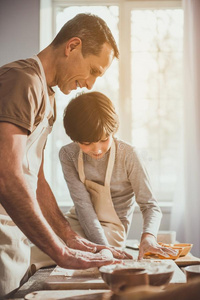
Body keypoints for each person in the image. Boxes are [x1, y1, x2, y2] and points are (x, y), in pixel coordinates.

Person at [0, 13, 131, 299]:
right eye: (93, 70)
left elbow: (35, 179)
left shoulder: (48, 96)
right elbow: (7, 177)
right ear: (72, 46)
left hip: (15, 241)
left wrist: (69, 237)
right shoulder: (22, 80)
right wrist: (60, 252)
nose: (90, 84)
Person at [59, 91, 178, 259]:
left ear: (113, 131)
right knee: (47, 246)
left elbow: (150, 205)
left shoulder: (129, 155)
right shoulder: (67, 154)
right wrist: (99, 249)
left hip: (112, 230)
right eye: (87, 143)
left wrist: (148, 237)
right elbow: (83, 206)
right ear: (75, 138)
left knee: (73, 252)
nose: (97, 149)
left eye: (104, 139)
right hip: (78, 219)